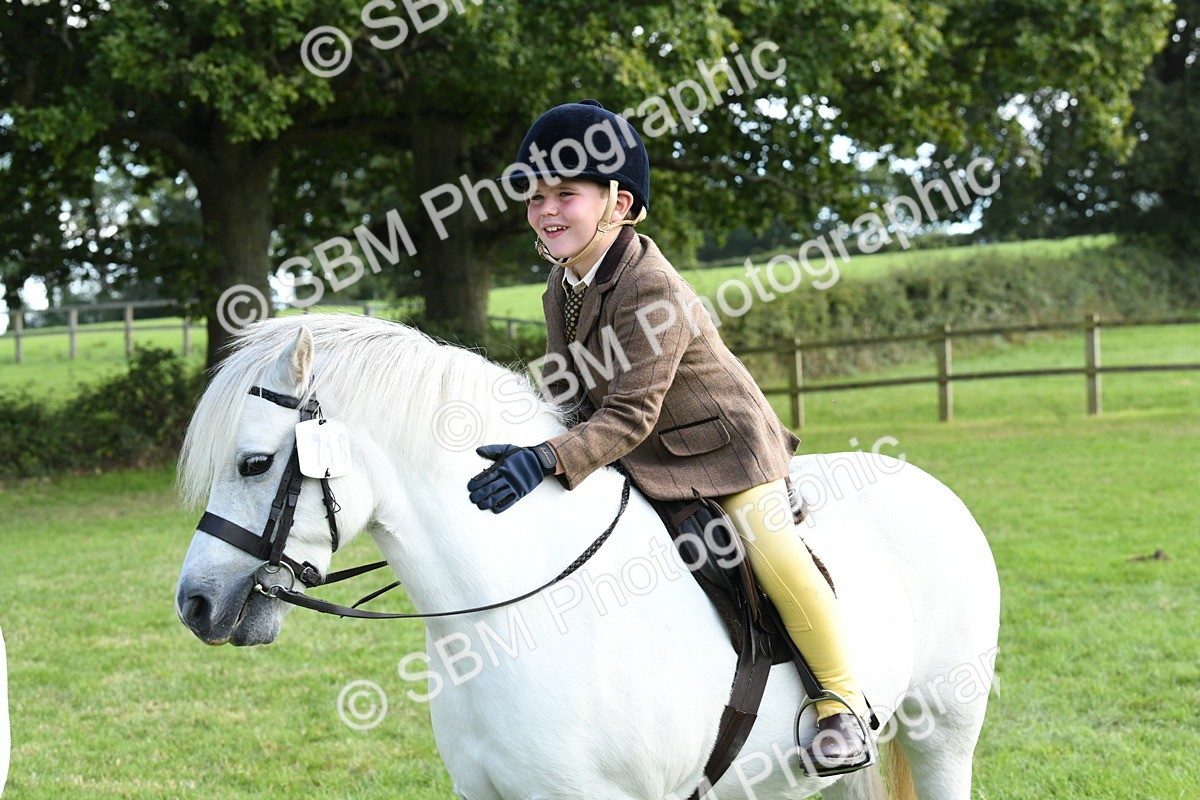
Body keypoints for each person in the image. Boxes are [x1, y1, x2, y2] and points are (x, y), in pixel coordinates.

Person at [466, 99, 871, 774]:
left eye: (566, 194)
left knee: (772, 552)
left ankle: (840, 705)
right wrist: (527, 440)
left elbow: (628, 416)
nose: (545, 210)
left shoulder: (652, 288)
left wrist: (548, 460)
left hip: (722, 452)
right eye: (536, 198)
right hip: (640, 451)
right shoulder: (561, 283)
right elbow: (571, 395)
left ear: (619, 204)